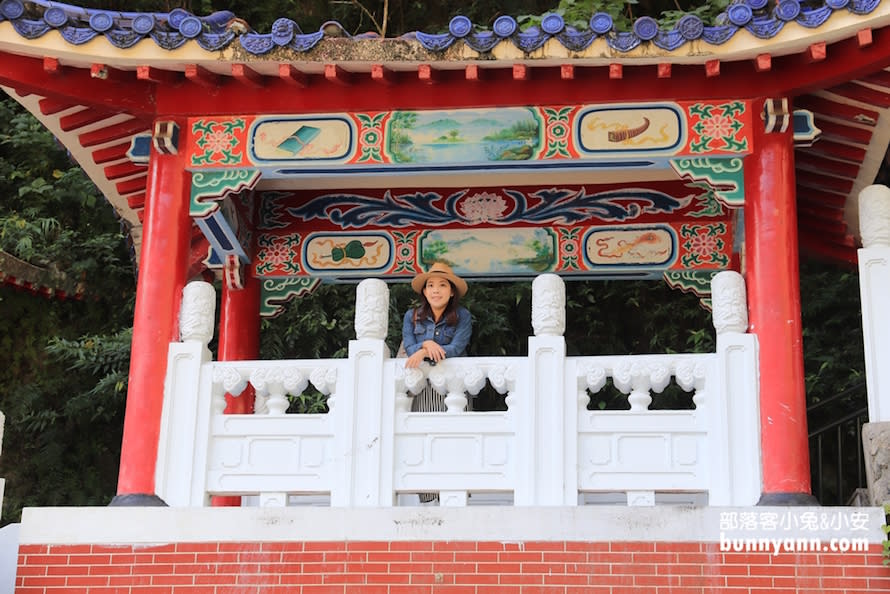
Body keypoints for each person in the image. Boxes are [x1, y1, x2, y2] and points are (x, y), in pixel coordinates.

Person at [402, 262, 472, 372]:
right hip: (420, 379)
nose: (435, 290)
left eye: (442, 285)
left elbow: (456, 348)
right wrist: (426, 344)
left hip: (453, 378)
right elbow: (409, 348)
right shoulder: (411, 315)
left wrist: (424, 351)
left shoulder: (463, 315)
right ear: (425, 292)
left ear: (452, 291)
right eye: (430, 285)